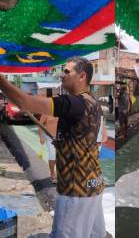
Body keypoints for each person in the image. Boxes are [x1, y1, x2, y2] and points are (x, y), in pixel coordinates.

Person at [0, 57, 107, 238]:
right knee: (97, 235)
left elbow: (24, 102)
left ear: (82, 76)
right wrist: (65, 144)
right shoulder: (94, 103)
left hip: (75, 190)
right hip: (94, 185)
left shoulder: (72, 103)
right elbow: (94, 141)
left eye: (67, 71)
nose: (61, 75)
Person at [37, 109, 58, 184]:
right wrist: (41, 137)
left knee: (60, 157)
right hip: (50, 138)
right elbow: (39, 125)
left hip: (60, 137)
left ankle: (59, 173)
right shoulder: (46, 112)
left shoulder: (61, 111)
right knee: (52, 156)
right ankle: (52, 173)